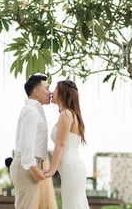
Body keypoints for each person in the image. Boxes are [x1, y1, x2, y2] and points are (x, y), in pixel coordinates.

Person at [44, 80, 89, 209]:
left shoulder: (66, 114)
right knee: (74, 203)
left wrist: (51, 170)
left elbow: (61, 145)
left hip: (71, 166)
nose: (52, 92)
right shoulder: (71, 114)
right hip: (72, 165)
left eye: (56, 89)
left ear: (63, 93)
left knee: (72, 204)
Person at [11, 73, 51, 208]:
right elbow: (27, 143)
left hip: (29, 165)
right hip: (27, 166)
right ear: (36, 92)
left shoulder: (35, 110)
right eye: (46, 88)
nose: (50, 92)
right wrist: (34, 169)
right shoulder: (31, 111)